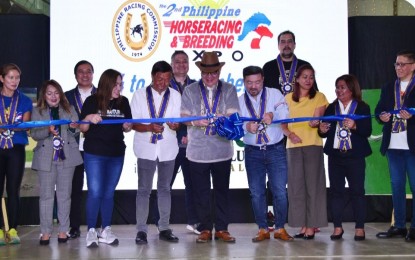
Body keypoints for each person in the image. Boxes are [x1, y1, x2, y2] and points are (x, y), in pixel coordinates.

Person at [181, 51, 240, 243]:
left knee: (222, 191)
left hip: (222, 150)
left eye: (213, 73)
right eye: (206, 73)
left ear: (219, 72)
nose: (209, 77)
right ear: (200, 73)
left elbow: (233, 115)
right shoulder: (189, 90)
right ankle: (205, 228)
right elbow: (184, 118)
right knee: (201, 192)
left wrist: (217, 118)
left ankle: (222, 228)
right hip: (197, 152)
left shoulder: (230, 89)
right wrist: (198, 121)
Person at [239, 66, 293, 242]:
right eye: (249, 82)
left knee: (279, 191)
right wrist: (246, 127)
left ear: (263, 79)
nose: (253, 86)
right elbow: (232, 126)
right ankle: (262, 228)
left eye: (257, 82)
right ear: (244, 82)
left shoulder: (275, 94)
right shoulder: (239, 101)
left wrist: (273, 114)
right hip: (253, 151)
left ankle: (280, 228)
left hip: (275, 149)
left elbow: (285, 113)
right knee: (256, 192)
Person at [80, 69, 132, 248]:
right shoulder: (92, 101)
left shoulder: (123, 102)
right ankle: (91, 231)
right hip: (95, 153)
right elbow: (82, 128)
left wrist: (127, 125)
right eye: (116, 84)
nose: (119, 87)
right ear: (107, 84)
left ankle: (106, 229)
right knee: (95, 192)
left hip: (116, 154)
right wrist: (88, 118)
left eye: (120, 84)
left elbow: (127, 127)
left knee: (109, 193)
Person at [131, 61, 181, 245]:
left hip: (168, 148)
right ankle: (141, 230)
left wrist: (176, 125)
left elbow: (178, 122)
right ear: (152, 76)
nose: (163, 83)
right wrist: (149, 127)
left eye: (167, 79)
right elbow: (133, 124)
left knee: (165, 189)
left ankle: (165, 227)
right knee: (144, 190)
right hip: (146, 147)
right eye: (160, 79)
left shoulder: (175, 95)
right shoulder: (139, 95)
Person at [318, 74, 372, 241]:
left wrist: (355, 126)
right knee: (336, 193)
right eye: (337, 87)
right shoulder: (331, 108)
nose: (338, 91)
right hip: (336, 157)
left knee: (357, 192)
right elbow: (323, 132)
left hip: (355, 156)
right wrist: (322, 129)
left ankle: (360, 228)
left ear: (351, 89)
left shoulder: (362, 107)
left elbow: (367, 131)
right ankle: (337, 227)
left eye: (342, 87)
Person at [31, 80, 83, 245]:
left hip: (67, 158)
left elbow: (76, 130)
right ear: (44, 96)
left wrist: (74, 126)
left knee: (64, 196)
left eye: (56, 93)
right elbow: (34, 134)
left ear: (60, 94)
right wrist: (47, 130)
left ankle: (63, 230)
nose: (53, 97)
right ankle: (45, 232)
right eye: (49, 93)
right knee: (46, 197)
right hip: (45, 158)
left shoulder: (70, 109)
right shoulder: (37, 111)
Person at [281, 64, 328, 239]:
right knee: (296, 187)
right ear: (297, 79)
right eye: (305, 77)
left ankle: (311, 225)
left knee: (313, 186)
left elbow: (317, 118)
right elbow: (282, 123)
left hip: (312, 145)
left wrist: (315, 122)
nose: (308, 80)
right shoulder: (287, 98)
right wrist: (290, 134)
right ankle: (301, 225)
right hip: (293, 147)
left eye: (311, 77)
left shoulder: (319, 97)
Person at [375, 50, 415, 242]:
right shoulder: (389, 86)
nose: (399, 68)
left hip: (412, 147)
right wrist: (382, 116)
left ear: (413, 66)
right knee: (397, 187)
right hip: (393, 145)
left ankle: (414, 228)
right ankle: (399, 225)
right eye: (396, 64)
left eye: (403, 64)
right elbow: (379, 110)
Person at [0, 63, 32, 245]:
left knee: (13, 189)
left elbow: (25, 127)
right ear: (2, 79)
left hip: (16, 148)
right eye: (10, 77)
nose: (14, 81)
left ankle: (12, 229)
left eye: (17, 78)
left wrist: (10, 126)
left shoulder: (25, 100)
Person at [64, 60, 97, 239]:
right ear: (75, 75)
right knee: (74, 188)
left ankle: (97, 226)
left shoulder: (102, 94)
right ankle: (74, 226)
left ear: (93, 74)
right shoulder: (66, 96)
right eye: (81, 72)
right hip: (73, 148)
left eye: (88, 71)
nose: (85, 75)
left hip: (96, 148)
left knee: (96, 189)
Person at [169, 50, 199, 233]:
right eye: (177, 61)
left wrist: (190, 132)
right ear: (172, 65)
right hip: (170, 142)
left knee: (193, 184)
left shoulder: (197, 86)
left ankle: (194, 221)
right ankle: (160, 221)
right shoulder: (164, 86)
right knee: (165, 184)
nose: (181, 64)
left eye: (185, 61)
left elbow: (199, 113)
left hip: (191, 141)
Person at [263, 30, 318, 96]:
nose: (286, 45)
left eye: (289, 41)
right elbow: (263, 93)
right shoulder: (268, 67)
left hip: (301, 105)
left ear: (294, 45)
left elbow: (314, 92)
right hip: (275, 106)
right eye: (283, 42)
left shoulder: (305, 66)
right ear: (278, 46)